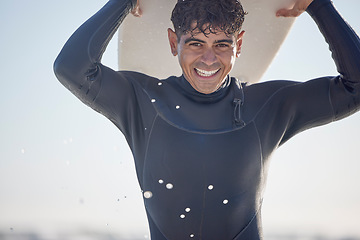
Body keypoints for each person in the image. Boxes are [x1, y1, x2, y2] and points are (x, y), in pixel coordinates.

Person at [53, 0, 360, 239]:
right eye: (195, 43)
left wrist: (320, 6)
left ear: (239, 45)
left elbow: (355, 88)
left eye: (222, 45)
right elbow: (70, 68)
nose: (209, 59)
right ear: (174, 43)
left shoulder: (268, 105)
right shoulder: (141, 99)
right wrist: (121, 3)